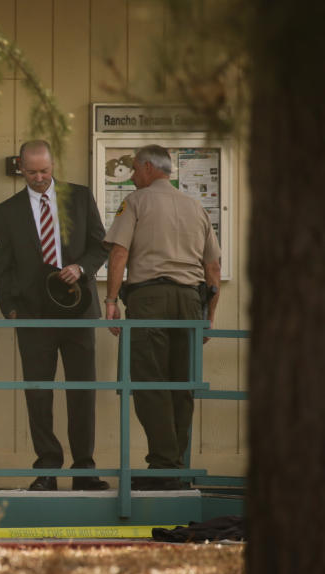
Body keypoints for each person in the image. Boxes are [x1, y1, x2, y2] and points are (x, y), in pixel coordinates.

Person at [0, 140, 110, 492]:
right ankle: (47, 467)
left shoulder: (79, 196)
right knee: (38, 393)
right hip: (32, 314)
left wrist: (82, 268)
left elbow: (99, 244)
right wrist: (9, 307)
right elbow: (4, 266)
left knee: (82, 392)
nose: (40, 178)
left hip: (78, 310)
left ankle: (84, 469)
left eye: (45, 171)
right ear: (21, 168)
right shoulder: (7, 210)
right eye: (32, 173)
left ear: (53, 164)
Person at [103, 145, 222, 490]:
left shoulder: (136, 203)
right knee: (181, 385)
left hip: (149, 300)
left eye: (136, 170)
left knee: (149, 382)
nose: (134, 177)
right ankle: (175, 467)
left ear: (147, 168)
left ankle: (163, 467)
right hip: (189, 301)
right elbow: (212, 268)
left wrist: (111, 300)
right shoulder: (195, 207)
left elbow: (119, 253)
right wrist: (208, 317)